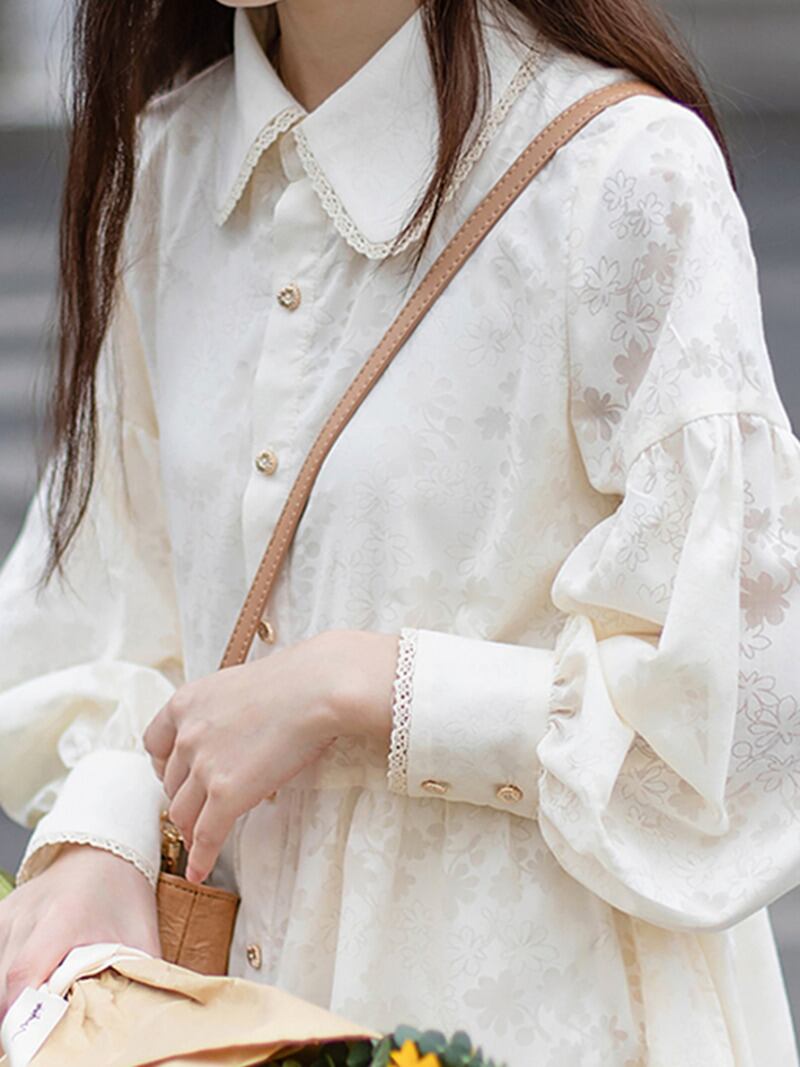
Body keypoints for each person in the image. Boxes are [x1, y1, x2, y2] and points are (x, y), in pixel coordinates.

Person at [0, 0, 798, 1063]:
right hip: (230, 1009)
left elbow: (740, 726)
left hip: (540, 1012)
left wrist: (371, 685)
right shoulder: (169, 163)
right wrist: (104, 822)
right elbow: (109, 602)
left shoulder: (621, 174)